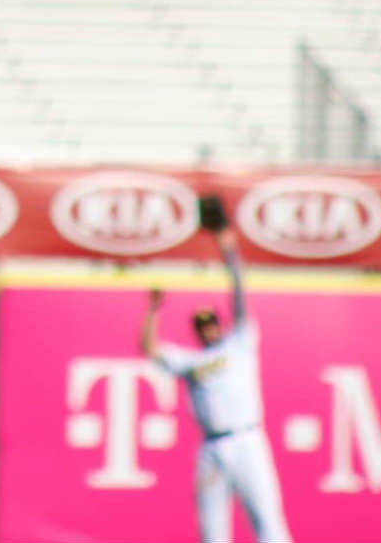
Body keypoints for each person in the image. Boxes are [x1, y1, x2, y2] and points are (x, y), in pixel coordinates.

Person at [142, 227, 293, 543]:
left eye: (211, 324)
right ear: (196, 331)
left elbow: (239, 292)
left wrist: (229, 251)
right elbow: (151, 349)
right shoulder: (191, 362)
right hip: (212, 446)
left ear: (220, 325)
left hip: (247, 439)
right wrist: (154, 310)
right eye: (202, 326)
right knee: (212, 531)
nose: (208, 330)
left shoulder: (239, 343)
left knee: (267, 520)